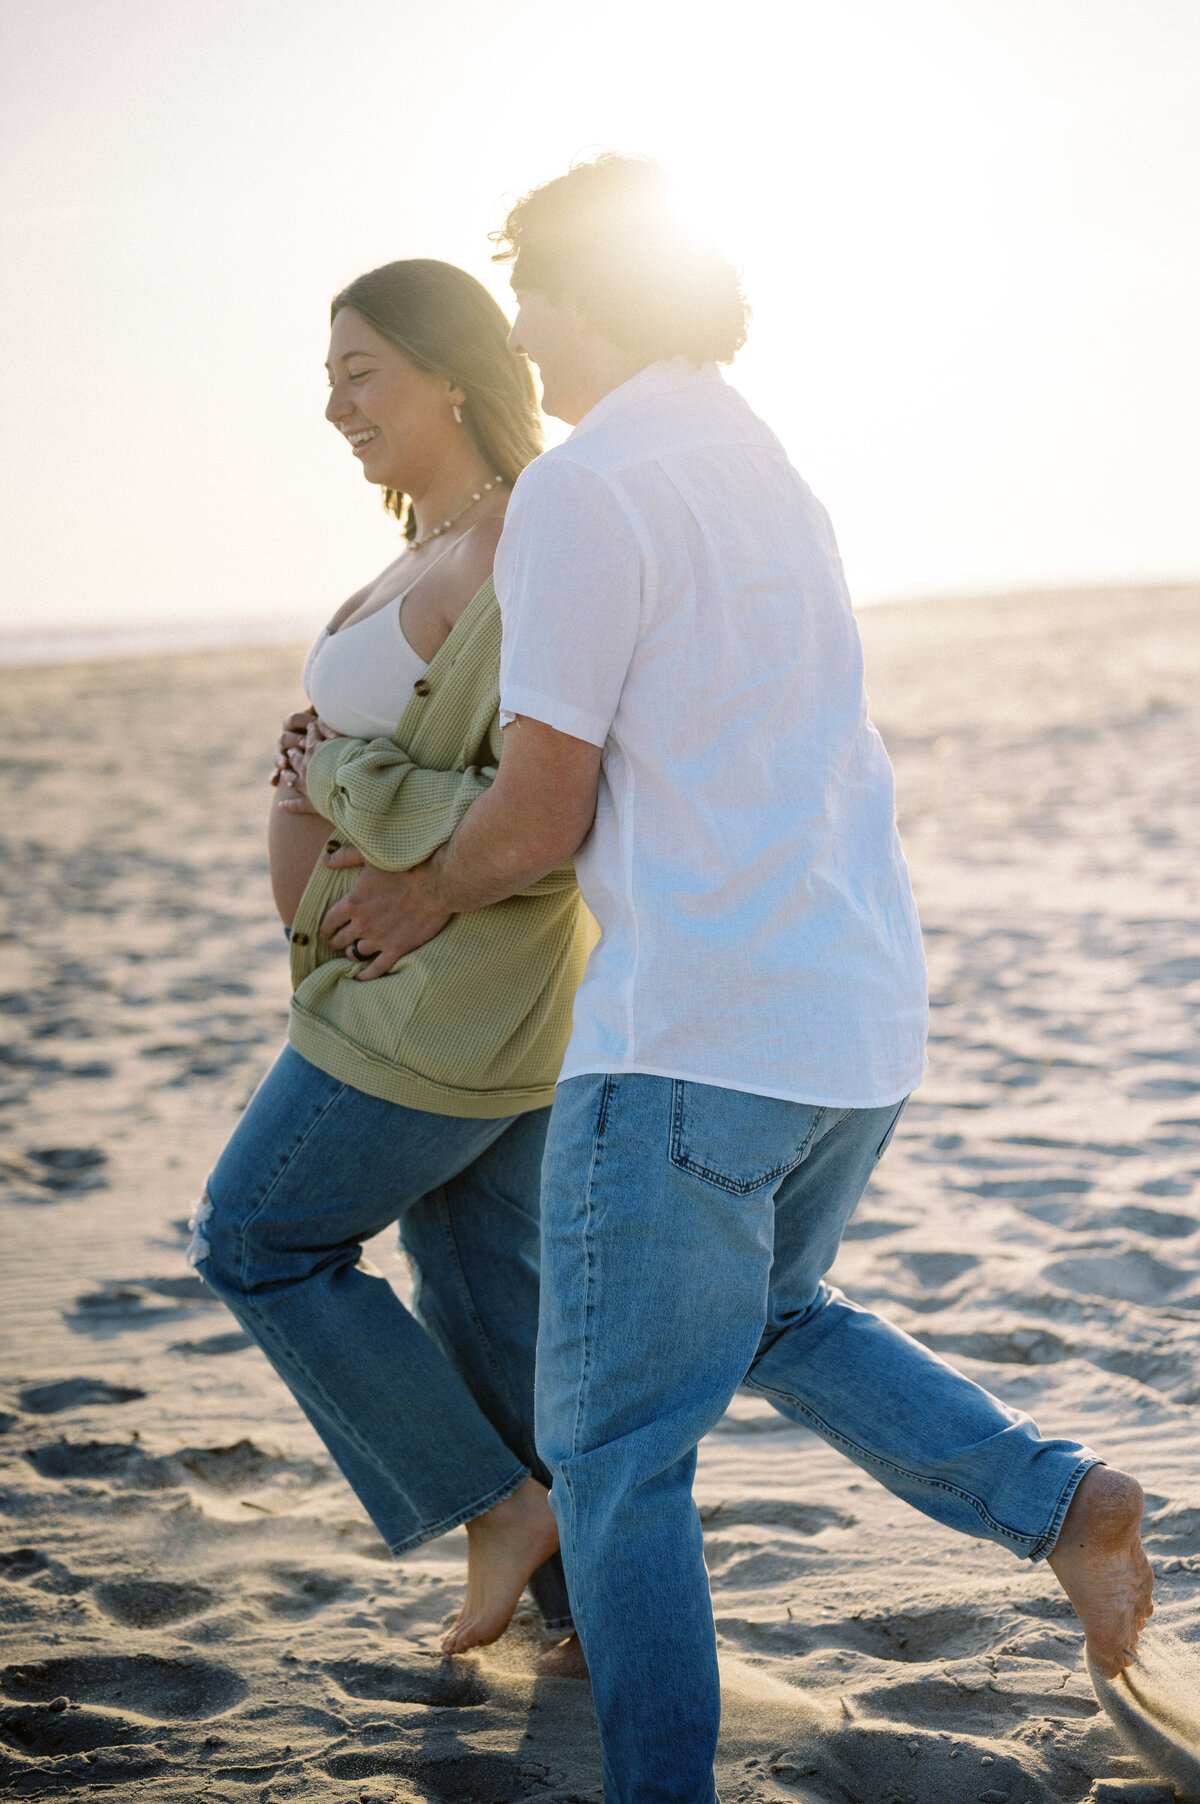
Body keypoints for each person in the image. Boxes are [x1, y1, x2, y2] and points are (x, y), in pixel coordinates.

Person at [317, 159, 1158, 1799]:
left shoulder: (588, 485)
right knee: (774, 1314)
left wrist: (420, 889)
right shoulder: (765, 463)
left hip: (693, 1034)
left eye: (529, 292)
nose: (520, 332)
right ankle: (1061, 1506)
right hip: (853, 1022)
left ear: (593, 295)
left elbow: (544, 812)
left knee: (616, 1463)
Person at [188, 258, 593, 1667]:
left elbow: (540, 796)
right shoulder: (421, 549)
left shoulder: (524, 543)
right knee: (482, 1298)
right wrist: (305, 784)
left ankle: (495, 1506)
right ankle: (585, 1618)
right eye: (330, 379)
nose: (336, 406)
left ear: (456, 371)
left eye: (362, 373)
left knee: (256, 1237)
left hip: (450, 998)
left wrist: (343, 775)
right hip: (388, 992)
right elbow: (364, 767)